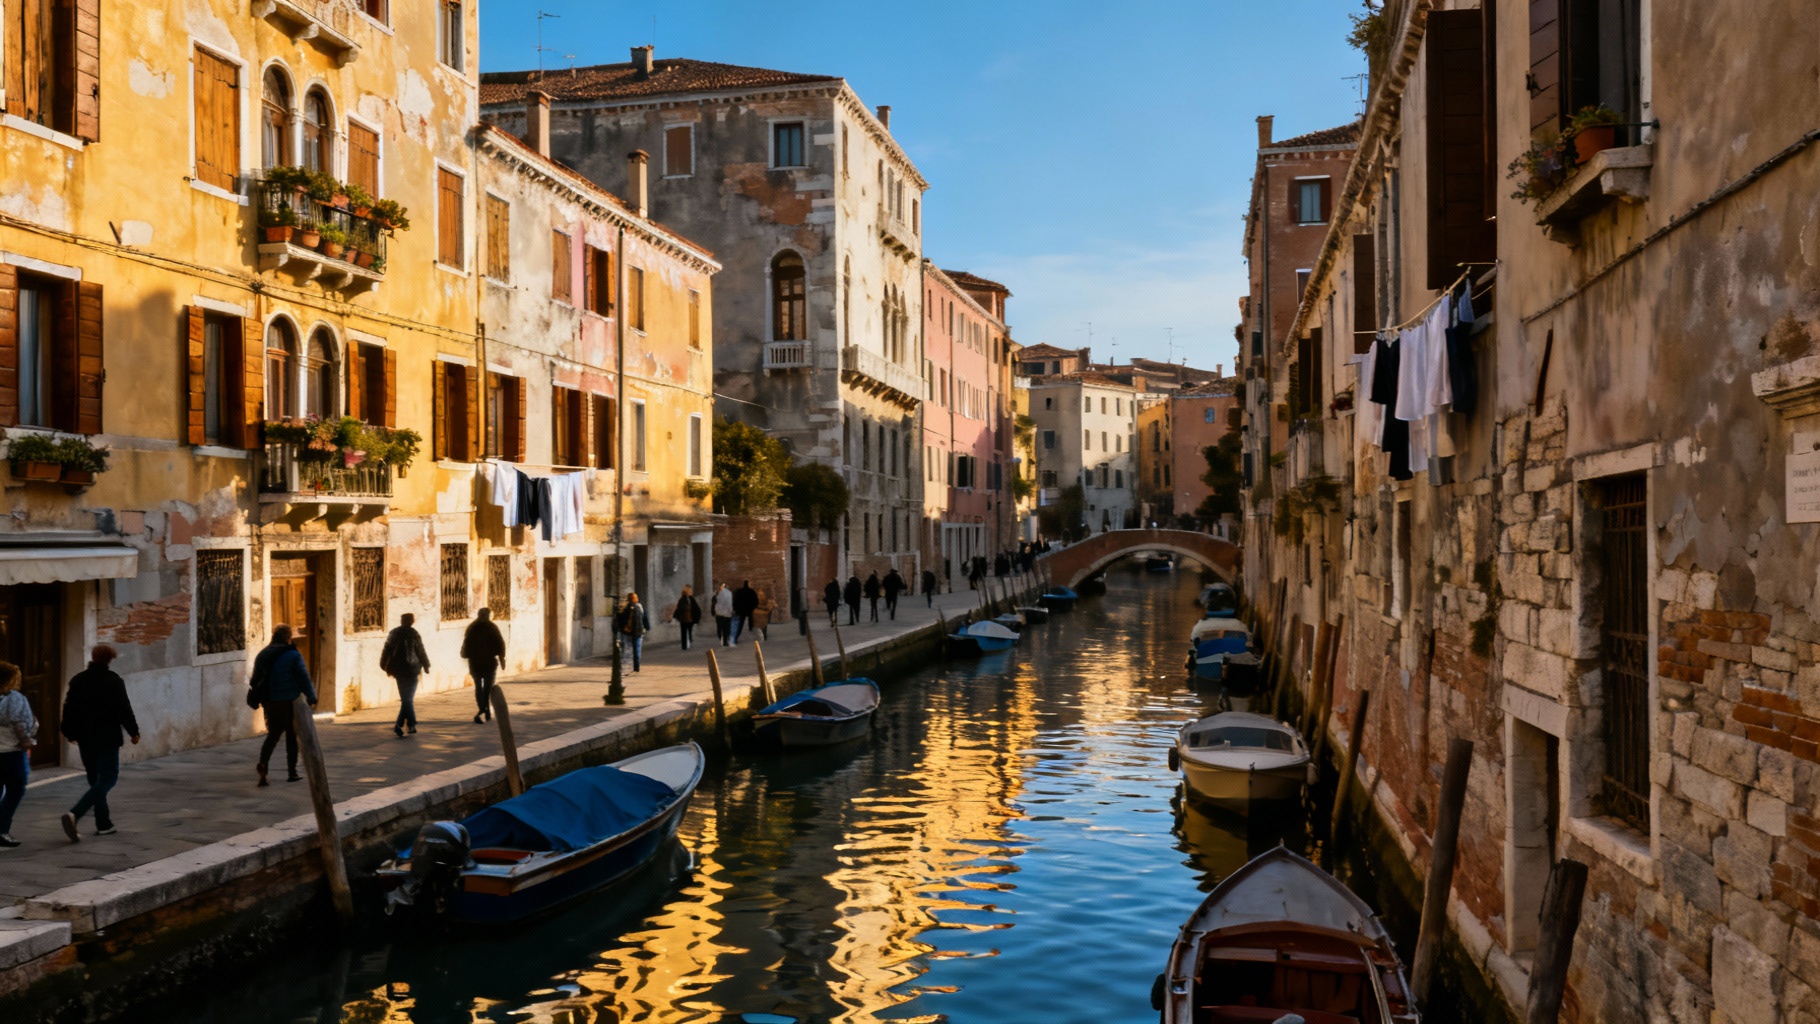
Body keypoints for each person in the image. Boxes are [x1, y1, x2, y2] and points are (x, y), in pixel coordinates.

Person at [58, 645, 139, 842]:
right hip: (108, 738)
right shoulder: (113, 681)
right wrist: (133, 731)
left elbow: (69, 708)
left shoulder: (78, 680)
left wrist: (69, 732)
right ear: (109, 660)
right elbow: (124, 709)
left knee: (96, 781)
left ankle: (104, 824)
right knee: (108, 778)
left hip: (86, 738)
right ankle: (75, 813)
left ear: (93, 657)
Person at [250, 626, 315, 786]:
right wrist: (312, 696)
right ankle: (292, 772)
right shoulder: (293, 655)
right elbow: (303, 677)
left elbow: (255, 678)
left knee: (273, 735)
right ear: (288, 637)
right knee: (292, 736)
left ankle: (263, 766)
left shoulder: (263, 654)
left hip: (270, 702)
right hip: (289, 701)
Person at [0, 662, 35, 848]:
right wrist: (27, 742)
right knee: (16, 790)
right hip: (11, 752)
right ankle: (2, 830)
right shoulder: (15, 699)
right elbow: (20, 723)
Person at [380, 613, 429, 739]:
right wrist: (426, 665)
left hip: (399, 671)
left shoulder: (394, 633)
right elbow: (420, 650)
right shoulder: (414, 633)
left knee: (406, 699)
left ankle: (402, 724)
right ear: (412, 621)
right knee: (408, 699)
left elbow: (387, 650)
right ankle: (408, 724)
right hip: (412, 670)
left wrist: (384, 665)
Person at [460, 608, 506, 725]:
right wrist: (502, 659)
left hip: (475, 663)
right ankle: (485, 709)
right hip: (489, 663)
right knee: (488, 687)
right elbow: (500, 644)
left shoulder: (472, 628)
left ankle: (483, 708)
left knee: (478, 687)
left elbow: (466, 645)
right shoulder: (492, 627)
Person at [617, 592, 650, 671]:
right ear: (636, 599)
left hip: (626, 632)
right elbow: (644, 619)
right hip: (638, 632)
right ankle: (636, 667)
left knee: (626, 650)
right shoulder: (640, 607)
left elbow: (622, 619)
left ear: (628, 599)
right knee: (637, 650)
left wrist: (620, 628)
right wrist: (647, 627)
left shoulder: (626, 608)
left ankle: (624, 668)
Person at [672, 585, 702, 650]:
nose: (691, 592)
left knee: (687, 631)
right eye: (690, 591)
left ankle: (687, 642)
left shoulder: (690, 599)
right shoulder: (683, 599)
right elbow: (680, 608)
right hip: (685, 618)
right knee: (685, 631)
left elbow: (696, 608)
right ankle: (685, 644)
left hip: (688, 618)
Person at [732, 580, 758, 645]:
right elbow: (755, 600)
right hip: (749, 609)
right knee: (750, 619)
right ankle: (750, 628)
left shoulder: (739, 592)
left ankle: (736, 637)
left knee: (740, 624)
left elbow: (735, 600)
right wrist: (754, 607)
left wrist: (735, 608)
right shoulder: (751, 592)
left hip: (741, 610)